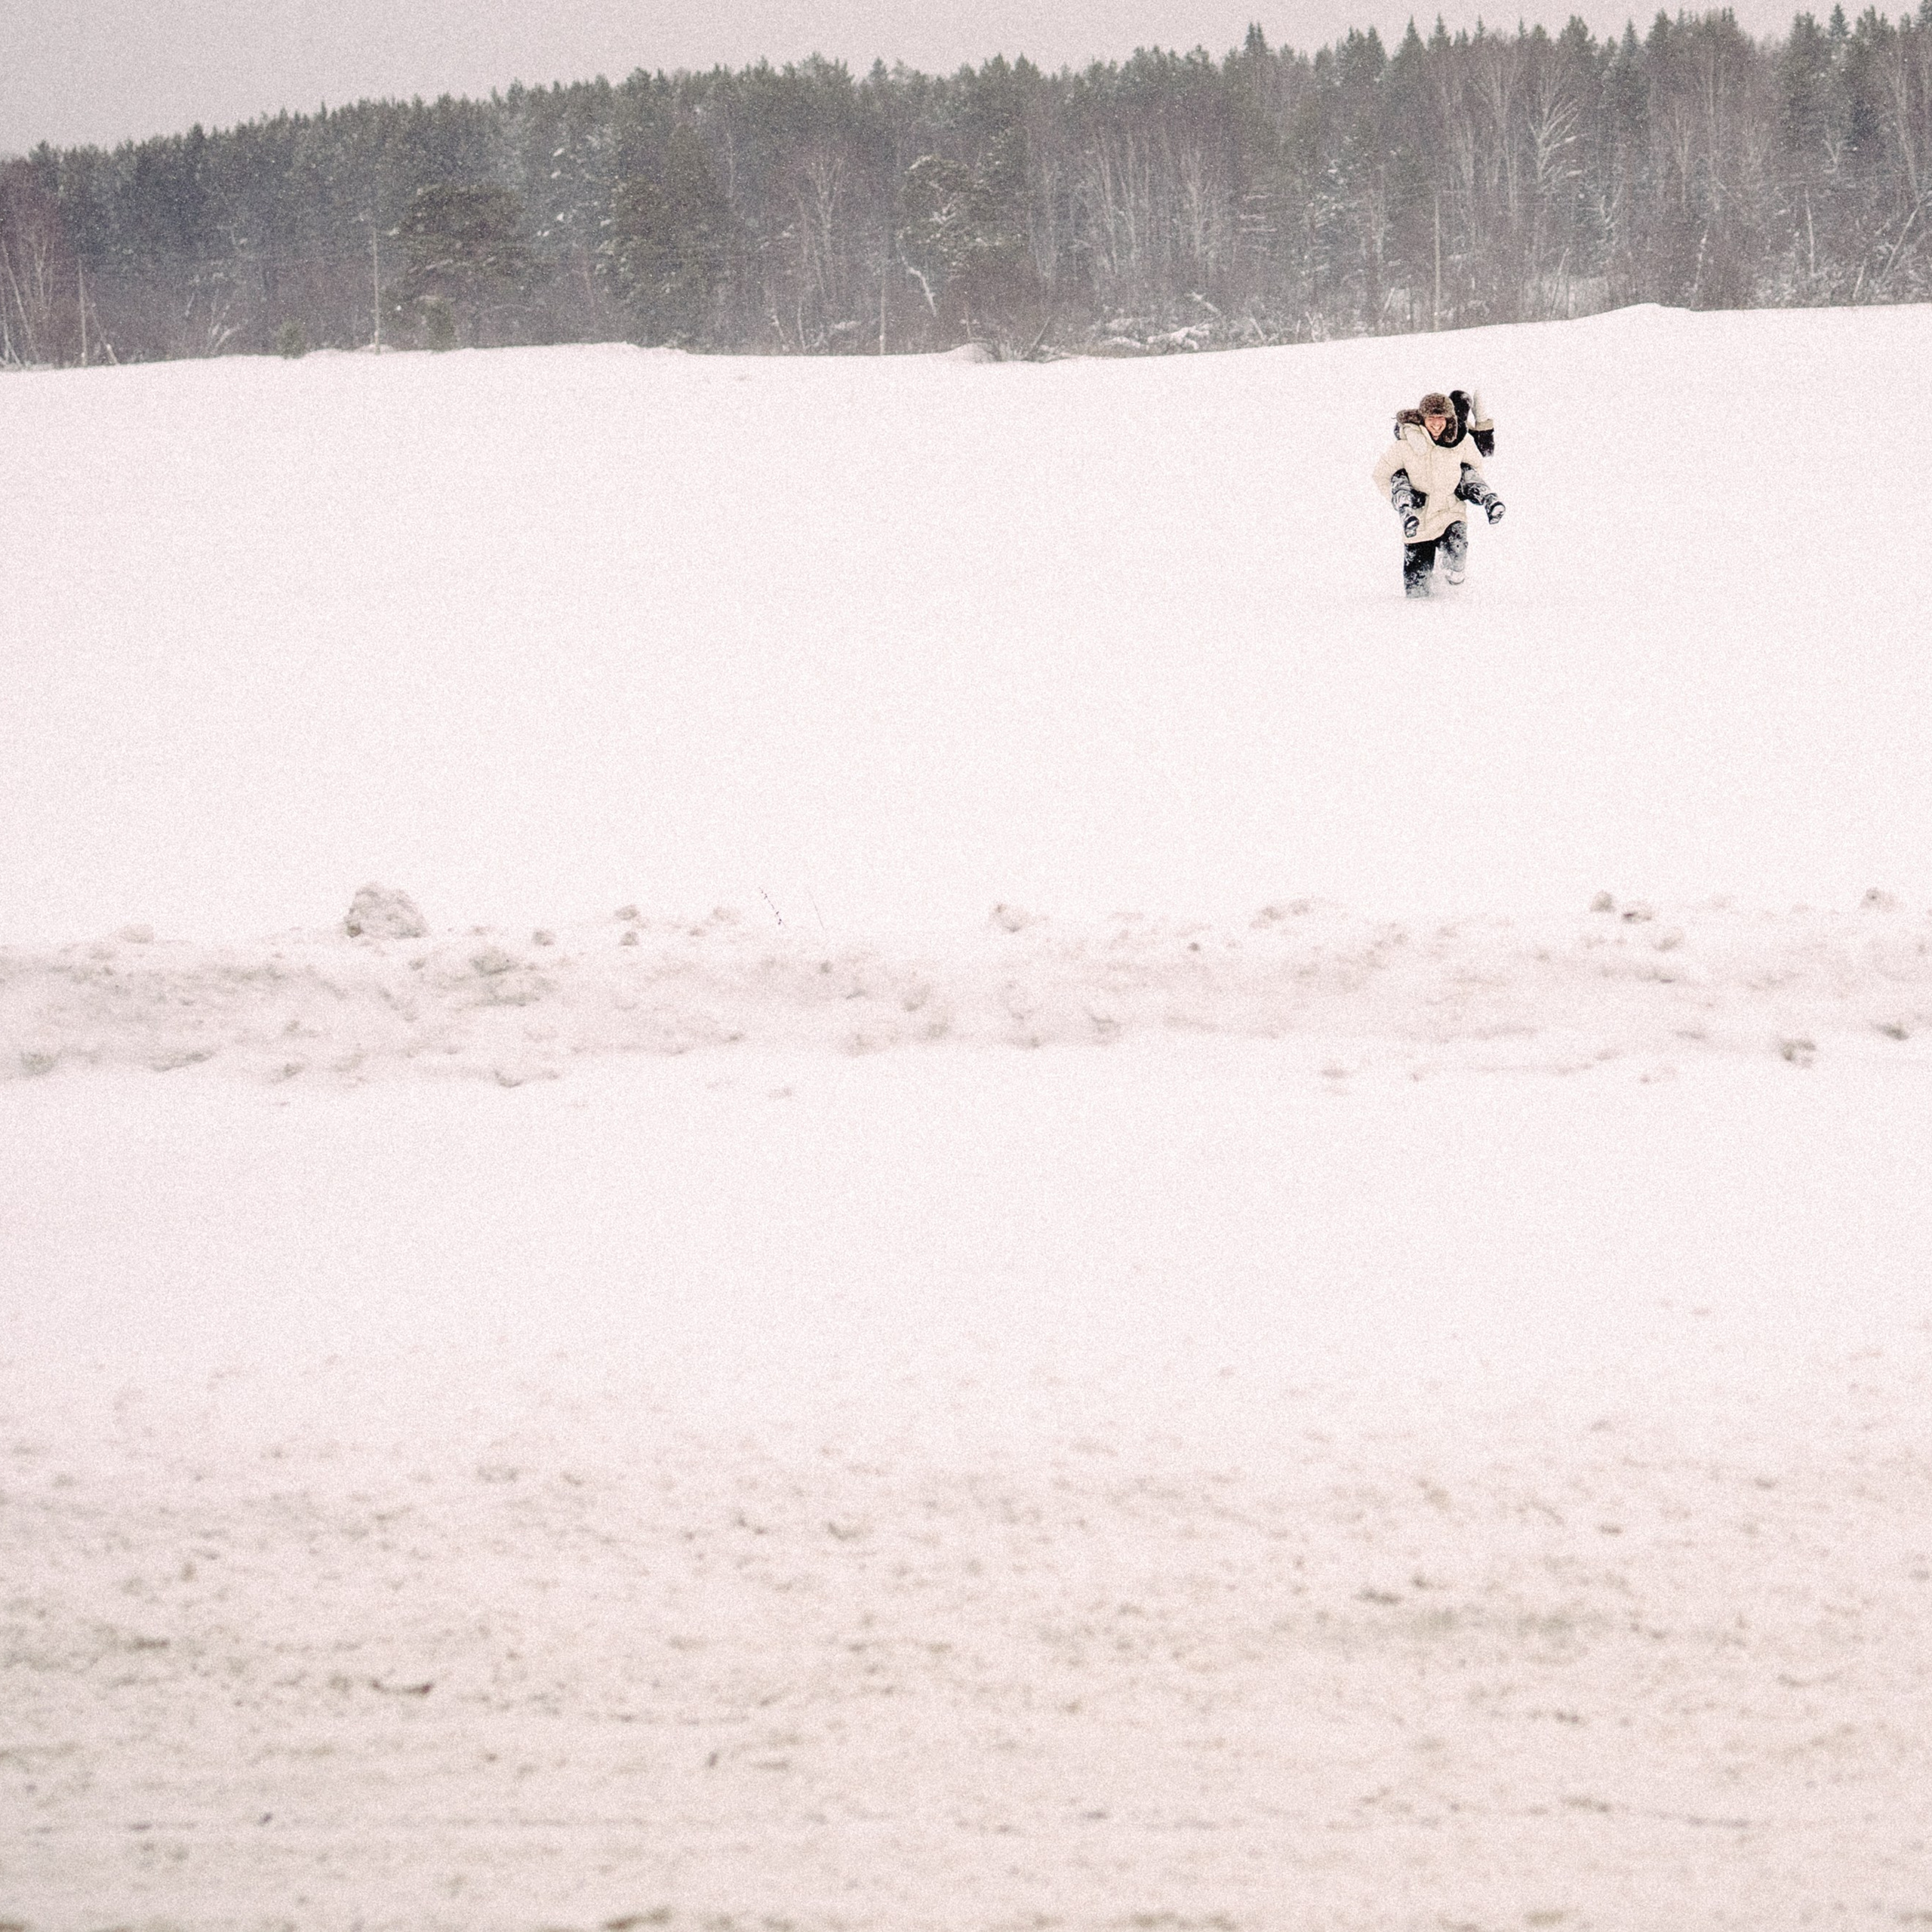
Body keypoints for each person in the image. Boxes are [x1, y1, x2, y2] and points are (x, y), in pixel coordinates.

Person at [1371, 390, 1504, 598]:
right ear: (1422, 419)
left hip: (1450, 512)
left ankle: (1455, 593)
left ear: (1448, 419)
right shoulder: (1405, 445)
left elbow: (1475, 466)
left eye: (1441, 418)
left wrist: (1463, 488)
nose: (1436, 424)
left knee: (1456, 557)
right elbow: (1381, 475)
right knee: (1417, 594)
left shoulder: (1462, 441)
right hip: (1418, 519)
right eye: (1431, 418)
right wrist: (1401, 500)